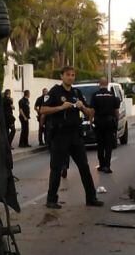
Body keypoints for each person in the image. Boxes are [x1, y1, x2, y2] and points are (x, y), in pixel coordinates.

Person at [39, 66, 103, 209]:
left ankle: (91, 198)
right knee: (56, 168)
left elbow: (90, 114)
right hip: (60, 135)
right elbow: (43, 109)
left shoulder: (76, 92)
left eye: (73, 75)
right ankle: (51, 200)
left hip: (75, 135)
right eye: (68, 75)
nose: (70, 77)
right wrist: (60, 107)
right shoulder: (55, 92)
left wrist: (83, 108)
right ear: (61, 76)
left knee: (84, 167)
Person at [89, 76, 120, 173]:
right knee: (108, 145)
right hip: (110, 123)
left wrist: (90, 122)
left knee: (100, 145)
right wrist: (116, 121)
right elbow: (116, 111)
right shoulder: (112, 96)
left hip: (99, 123)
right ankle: (107, 166)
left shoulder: (95, 95)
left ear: (99, 84)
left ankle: (101, 165)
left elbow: (92, 111)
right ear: (107, 84)